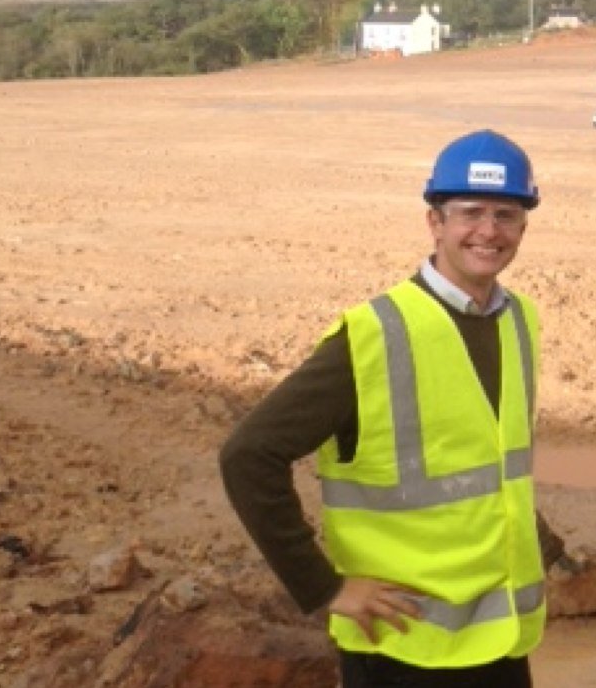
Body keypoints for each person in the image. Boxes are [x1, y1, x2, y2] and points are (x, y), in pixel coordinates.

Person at [220, 129, 558, 687]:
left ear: (524, 225)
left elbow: (493, 463)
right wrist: (323, 587)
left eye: (506, 215)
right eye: (470, 212)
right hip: (403, 647)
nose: (488, 231)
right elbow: (248, 454)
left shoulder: (519, 319)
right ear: (435, 221)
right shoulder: (377, 334)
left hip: (501, 639)